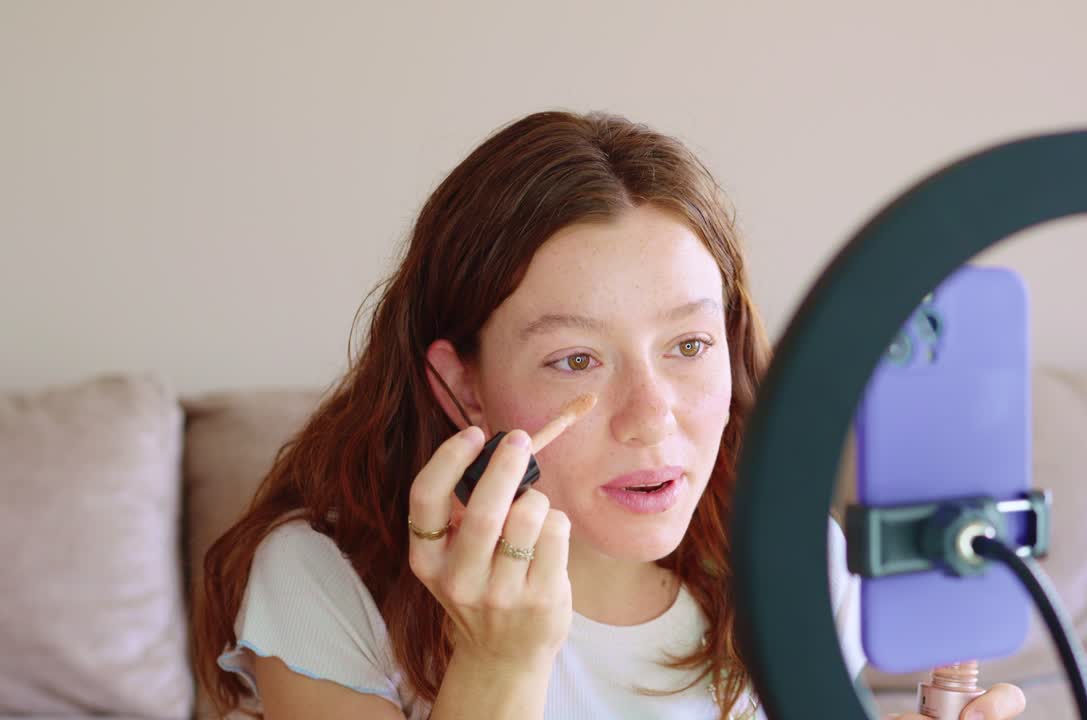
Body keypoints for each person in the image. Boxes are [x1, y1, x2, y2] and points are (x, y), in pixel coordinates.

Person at [192, 110, 1027, 720]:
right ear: (463, 386)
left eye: (689, 345)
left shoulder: (797, 564)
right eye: (576, 360)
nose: (650, 418)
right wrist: (498, 663)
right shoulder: (322, 580)